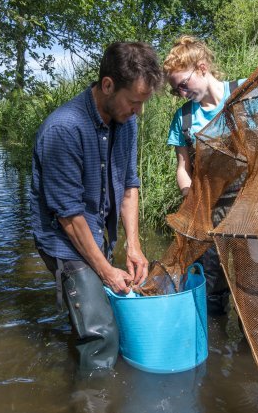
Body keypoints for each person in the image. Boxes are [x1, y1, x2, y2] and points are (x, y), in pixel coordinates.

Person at [30, 41, 164, 374]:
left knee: (106, 310)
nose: (139, 111)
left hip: (94, 227)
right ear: (107, 85)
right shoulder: (63, 129)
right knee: (102, 336)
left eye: (143, 103)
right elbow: (69, 217)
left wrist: (134, 246)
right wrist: (105, 270)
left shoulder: (127, 122)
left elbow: (129, 186)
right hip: (63, 237)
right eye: (134, 101)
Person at [164, 35, 246, 315]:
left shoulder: (245, 93)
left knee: (255, 289)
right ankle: (215, 350)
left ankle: (249, 354)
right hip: (208, 212)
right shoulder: (184, 118)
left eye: (183, 86)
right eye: (177, 91)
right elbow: (183, 169)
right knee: (211, 288)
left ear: (201, 68)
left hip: (253, 207)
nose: (183, 94)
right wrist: (191, 198)